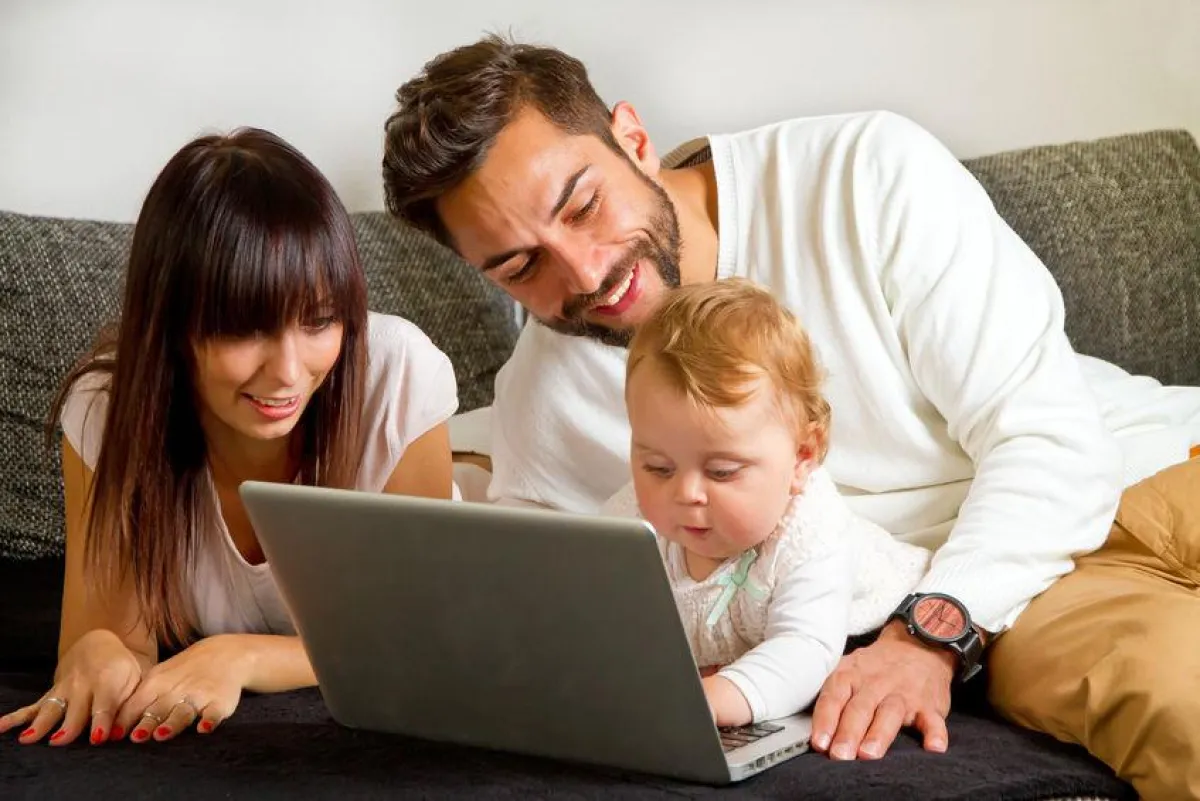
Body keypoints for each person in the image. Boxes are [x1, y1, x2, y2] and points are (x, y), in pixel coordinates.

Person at [380, 35, 1200, 797]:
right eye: (521, 266)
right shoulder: (546, 400)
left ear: (632, 138)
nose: (588, 272)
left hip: (1149, 459)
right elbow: (539, 610)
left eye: (583, 205)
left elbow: (1049, 433)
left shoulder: (863, 173)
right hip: (1033, 582)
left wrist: (921, 642)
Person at [0, 128, 458, 748]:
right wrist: (96, 655)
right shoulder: (106, 411)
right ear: (172, 326)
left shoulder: (400, 377)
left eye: (320, 320)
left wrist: (242, 657)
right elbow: (113, 642)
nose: (289, 372)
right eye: (245, 330)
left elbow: (426, 637)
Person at [600, 278, 929, 726]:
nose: (685, 493)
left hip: (869, 643)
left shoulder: (811, 531)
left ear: (802, 457)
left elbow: (804, 649)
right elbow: (595, 613)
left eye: (721, 472)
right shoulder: (632, 522)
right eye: (658, 467)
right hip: (741, 674)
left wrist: (706, 700)